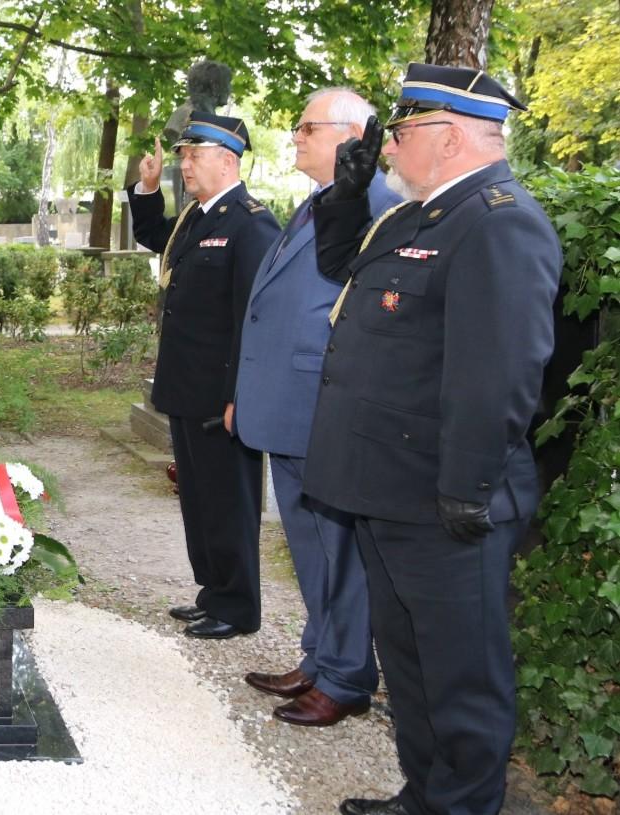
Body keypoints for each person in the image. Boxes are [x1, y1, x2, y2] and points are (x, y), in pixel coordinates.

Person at [306, 64, 560, 815]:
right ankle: (425, 796)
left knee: (462, 679)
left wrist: (467, 487)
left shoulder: (500, 221)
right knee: (411, 665)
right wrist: (344, 197)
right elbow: (342, 271)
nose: (387, 148)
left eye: (401, 132)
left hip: (445, 497)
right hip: (389, 485)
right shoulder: (417, 217)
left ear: (448, 138)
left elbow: (500, 373)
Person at [232, 89, 400, 727]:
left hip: (324, 405)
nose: (295, 137)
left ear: (353, 136)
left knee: (340, 550)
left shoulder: (378, 206)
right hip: (289, 403)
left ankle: (348, 677)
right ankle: (320, 656)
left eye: (308, 127)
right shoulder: (318, 201)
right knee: (308, 545)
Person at [126, 112, 281, 639]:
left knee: (229, 502)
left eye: (195, 156)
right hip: (187, 386)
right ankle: (213, 593)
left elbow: (252, 321)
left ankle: (238, 607)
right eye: (184, 156)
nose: (185, 165)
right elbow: (154, 235)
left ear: (228, 161)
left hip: (220, 395)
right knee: (198, 500)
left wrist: (240, 396)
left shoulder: (251, 223)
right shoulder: (197, 217)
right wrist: (148, 189)